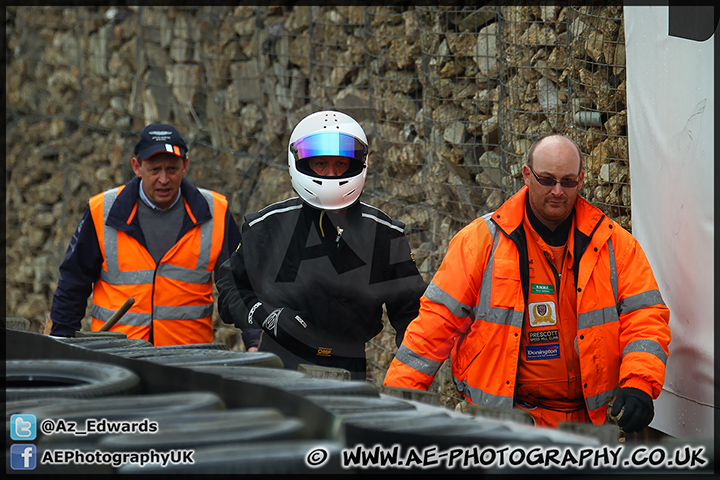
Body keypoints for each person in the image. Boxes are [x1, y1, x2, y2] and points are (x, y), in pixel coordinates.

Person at [383, 134, 671, 432]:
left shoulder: (614, 244)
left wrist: (639, 382)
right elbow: (433, 327)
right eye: (546, 179)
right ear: (526, 175)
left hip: (589, 428)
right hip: (504, 427)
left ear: (581, 179)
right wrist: (394, 406)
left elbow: (646, 317)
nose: (557, 191)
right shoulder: (479, 243)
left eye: (568, 181)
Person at [216, 110, 427, 379]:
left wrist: (408, 375)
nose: (332, 174)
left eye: (341, 164)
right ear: (301, 164)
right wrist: (265, 315)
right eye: (321, 164)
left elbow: (413, 313)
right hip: (280, 364)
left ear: (357, 165)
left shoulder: (383, 233)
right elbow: (230, 286)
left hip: (349, 369)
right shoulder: (268, 225)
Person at [47, 123, 260, 348]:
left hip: (190, 360)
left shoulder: (215, 211)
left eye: (172, 169)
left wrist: (254, 338)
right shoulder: (103, 210)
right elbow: (73, 282)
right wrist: (61, 340)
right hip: (116, 355)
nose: (164, 179)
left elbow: (241, 283)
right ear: (137, 167)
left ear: (185, 166)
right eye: (154, 170)